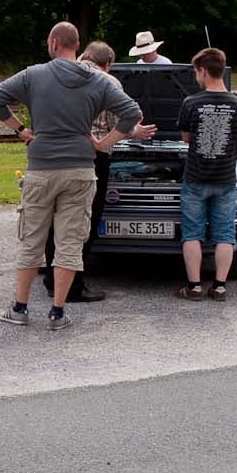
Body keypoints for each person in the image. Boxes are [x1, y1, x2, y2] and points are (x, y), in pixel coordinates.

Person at [0, 21, 144, 329]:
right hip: (81, 170)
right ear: (77, 45)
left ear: (53, 43)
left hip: (41, 168)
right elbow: (132, 113)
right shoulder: (99, 80)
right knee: (70, 243)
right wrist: (103, 144)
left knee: (32, 240)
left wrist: (21, 130)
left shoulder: (33, 75)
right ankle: (57, 312)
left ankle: (20, 308)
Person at [57, 40, 157, 303]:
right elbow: (123, 120)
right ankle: (74, 285)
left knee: (58, 219)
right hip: (92, 156)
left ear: (85, 55)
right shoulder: (108, 82)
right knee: (84, 221)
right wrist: (134, 133)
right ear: (108, 64)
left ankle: (52, 280)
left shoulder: (58, 74)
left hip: (57, 154)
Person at [175, 48, 237, 301]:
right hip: (225, 180)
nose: (195, 76)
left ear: (203, 71)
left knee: (192, 233)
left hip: (195, 179)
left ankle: (194, 287)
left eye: (195, 72)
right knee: (225, 234)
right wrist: (230, 158)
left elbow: (186, 138)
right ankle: (219, 287)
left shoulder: (191, 103)